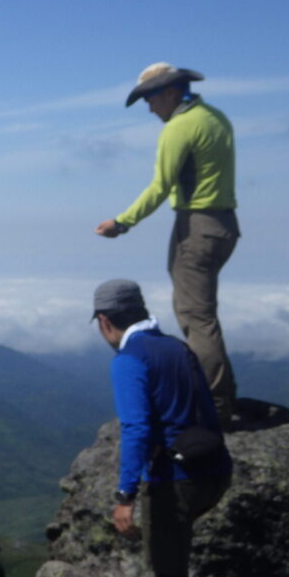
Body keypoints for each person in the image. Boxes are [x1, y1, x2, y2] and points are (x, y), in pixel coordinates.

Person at [95, 62, 239, 427]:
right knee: (202, 313)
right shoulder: (214, 117)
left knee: (196, 317)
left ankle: (214, 407)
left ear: (171, 92)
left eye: (150, 98)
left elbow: (161, 186)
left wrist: (122, 222)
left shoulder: (179, 127)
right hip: (224, 224)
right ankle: (221, 396)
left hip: (197, 226)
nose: (149, 108)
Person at [93, 278, 232, 577]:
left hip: (174, 480)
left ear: (104, 321)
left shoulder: (128, 360)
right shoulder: (178, 347)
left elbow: (136, 428)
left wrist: (125, 496)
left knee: (166, 570)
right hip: (216, 470)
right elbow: (205, 409)